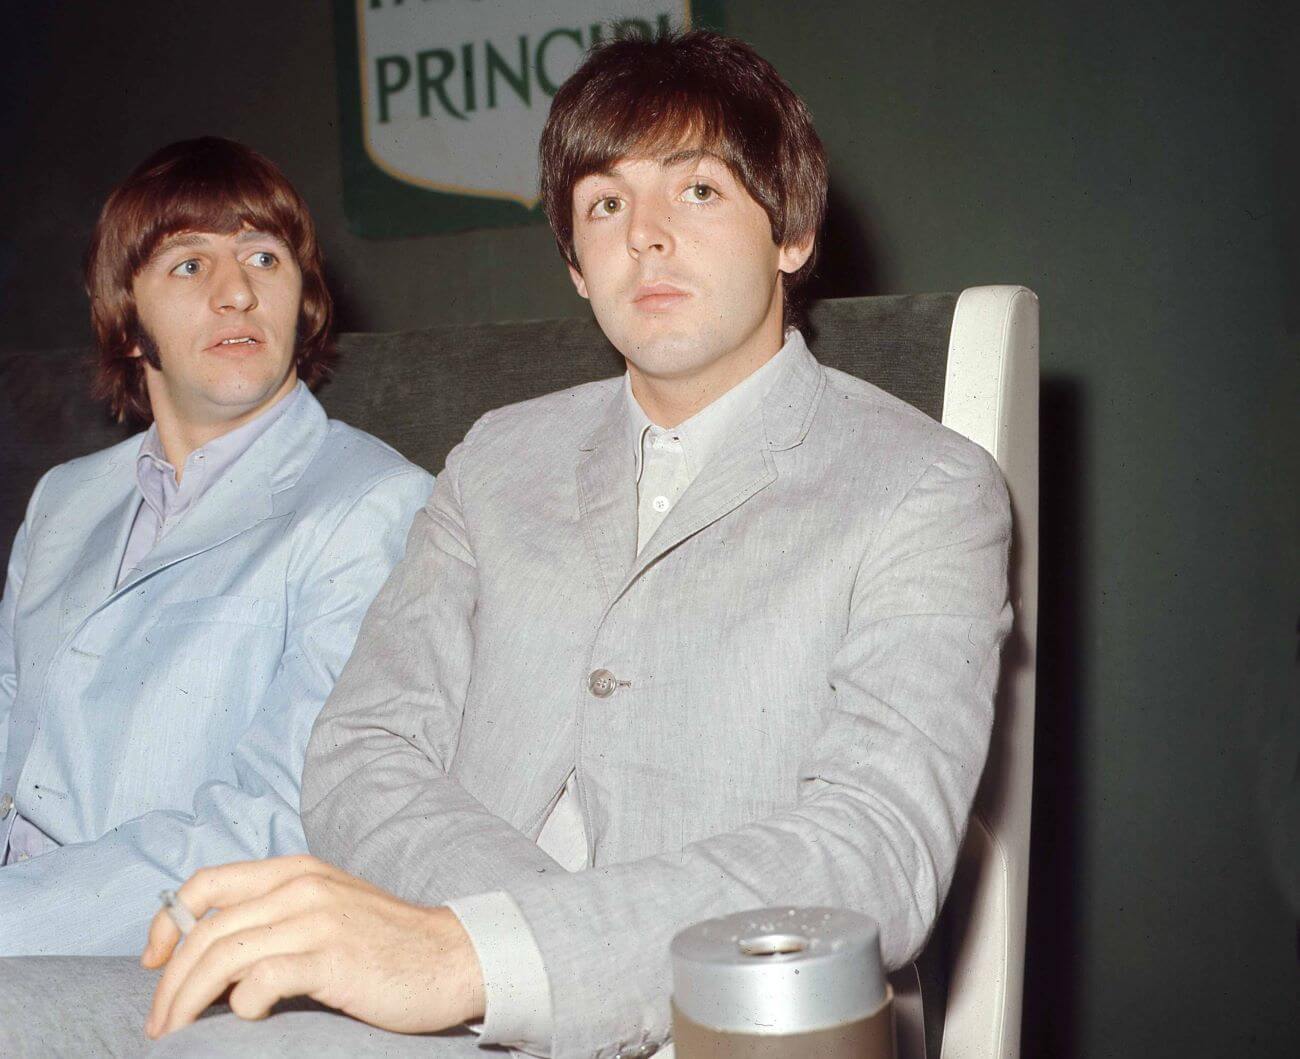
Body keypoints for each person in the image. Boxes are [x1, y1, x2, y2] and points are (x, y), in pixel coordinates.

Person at [0, 32, 1011, 1059]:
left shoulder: (925, 486)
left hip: (738, 1023)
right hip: (437, 993)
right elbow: (358, 753)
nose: (646, 238)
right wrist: (482, 950)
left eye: (697, 192)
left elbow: (870, 851)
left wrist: (499, 955)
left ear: (789, 230)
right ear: (575, 264)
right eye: (606, 205)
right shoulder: (496, 458)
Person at [0, 137, 433, 956]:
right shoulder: (64, 500)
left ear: (302, 302)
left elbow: (279, 820)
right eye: (190, 265)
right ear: (127, 320)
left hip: (156, 953)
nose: (236, 292)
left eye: (264, 258)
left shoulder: (374, 503)